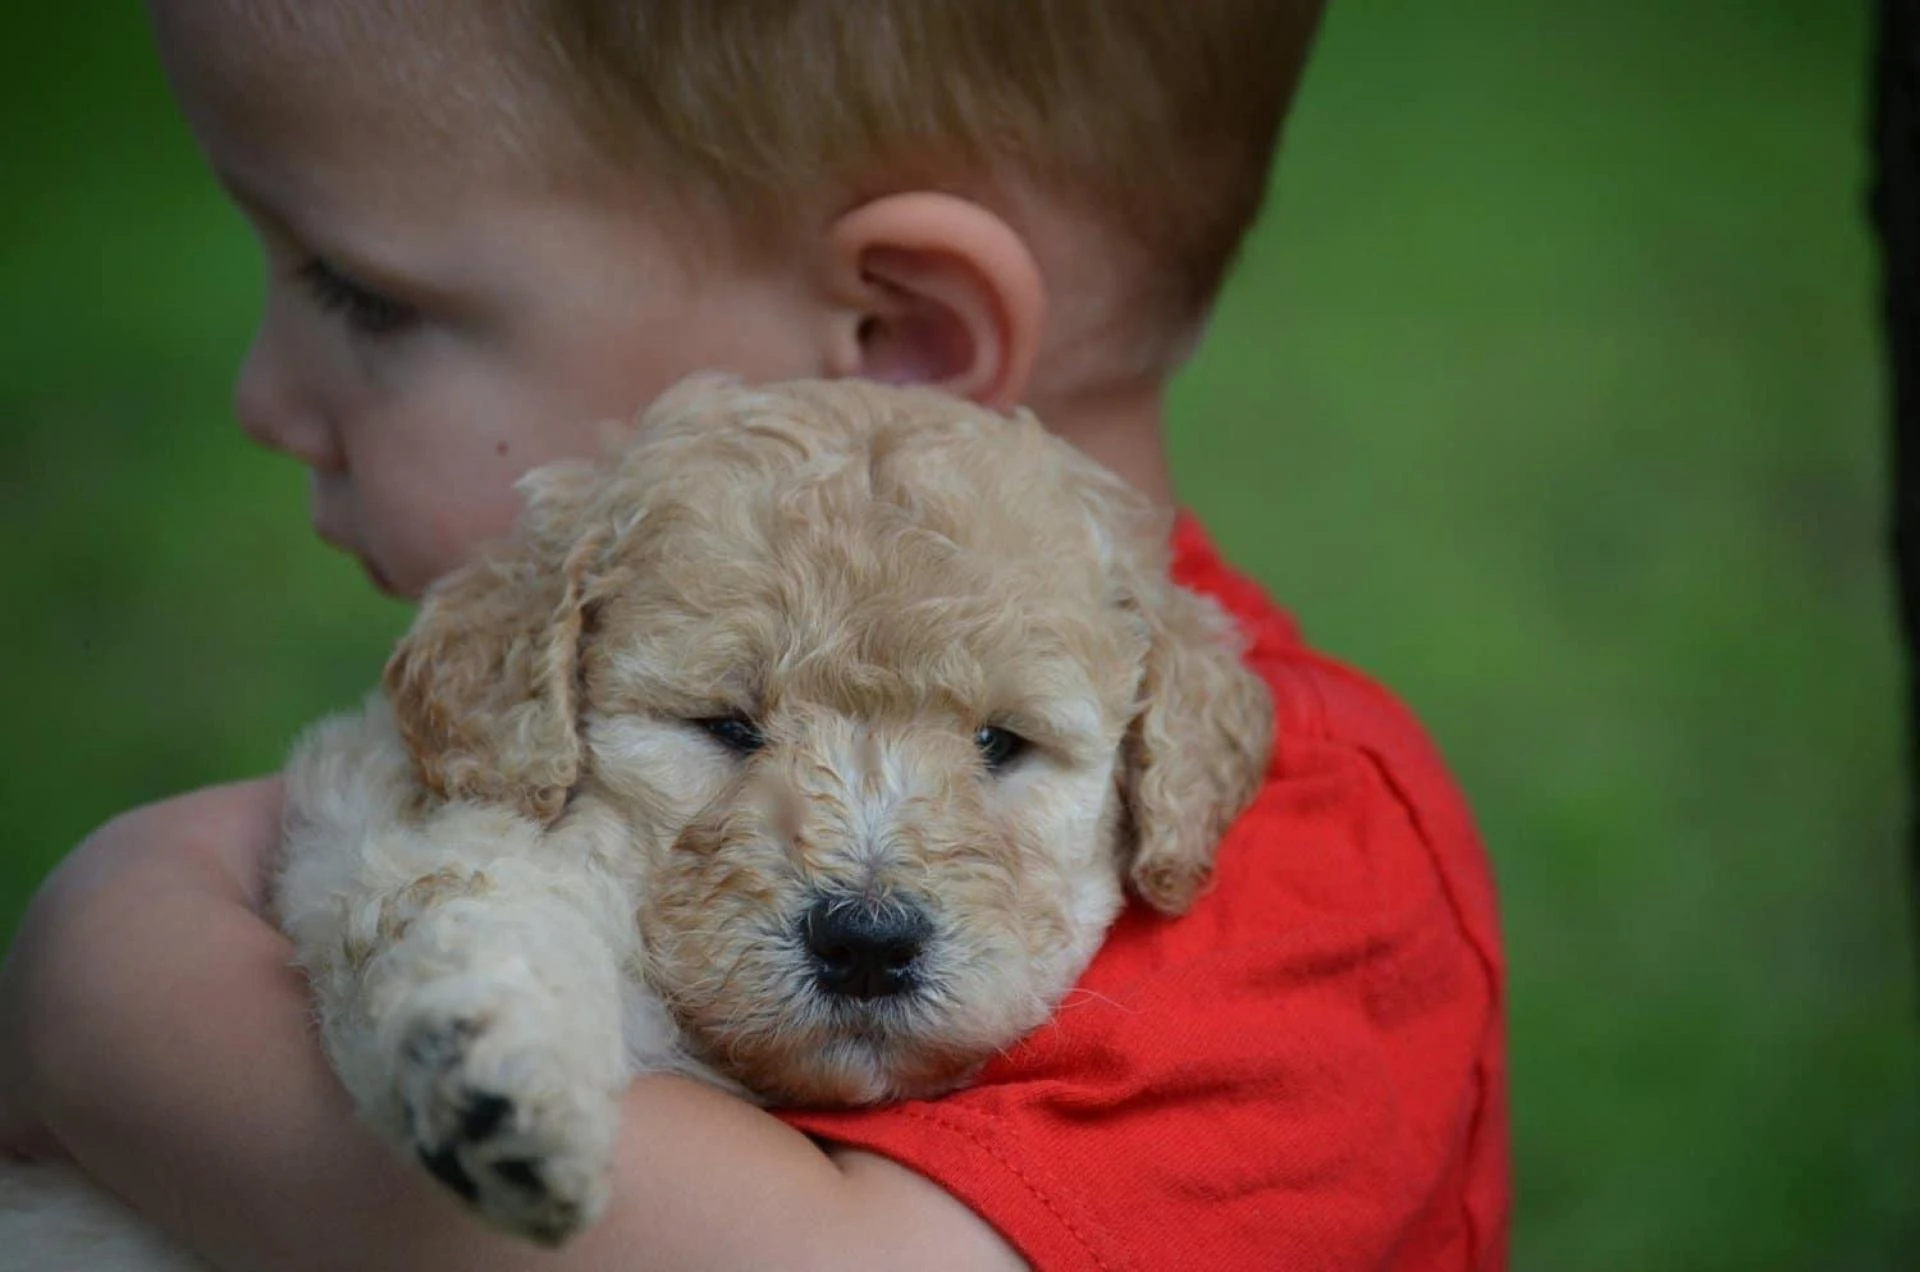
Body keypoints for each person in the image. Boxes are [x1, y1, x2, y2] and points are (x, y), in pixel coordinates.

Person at [0, 2, 1511, 1267]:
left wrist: (115, 998)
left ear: (900, 347)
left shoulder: (1321, 878)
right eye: (730, 728)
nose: (262, 397)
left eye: (367, 297)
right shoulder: (558, 674)